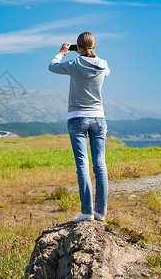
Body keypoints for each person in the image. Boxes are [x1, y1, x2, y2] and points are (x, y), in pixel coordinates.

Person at [48, 32, 110, 223]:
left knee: (82, 165)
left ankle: (86, 212)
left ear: (77, 47)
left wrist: (62, 53)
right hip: (99, 118)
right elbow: (106, 72)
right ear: (95, 45)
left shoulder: (74, 65)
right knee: (100, 165)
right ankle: (100, 212)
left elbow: (52, 67)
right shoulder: (103, 64)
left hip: (77, 118)